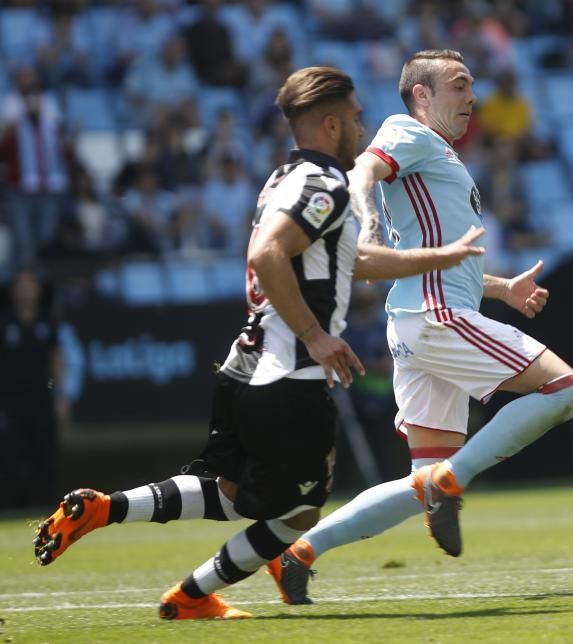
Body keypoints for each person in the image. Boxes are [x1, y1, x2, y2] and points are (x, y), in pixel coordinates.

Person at [31, 66, 486, 621]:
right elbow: (268, 254)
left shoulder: (281, 180)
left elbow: (351, 260)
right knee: (297, 513)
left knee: (225, 491)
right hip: (289, 375)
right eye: (354, 118)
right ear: (330, 121)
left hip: (244, 361)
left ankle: (105, 509)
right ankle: (191, 596)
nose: (361, 127)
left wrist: (439, 257)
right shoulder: (326, 185)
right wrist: (317, 337)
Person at [266, 49, 573, 605]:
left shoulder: (438, 157)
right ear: (422, 95)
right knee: (568, 389)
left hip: (420, 317)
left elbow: (432, 255)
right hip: (438, 317)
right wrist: (364, 215)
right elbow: (363, 168)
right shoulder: (408, 131)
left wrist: (501, 287)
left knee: (422, 478)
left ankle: (299, 553)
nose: (472, 97)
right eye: (459, 86)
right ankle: (451, 483)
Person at [0, 268, 68, 509]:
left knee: (45, 455)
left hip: (42, 397)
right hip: (9, 402)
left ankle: (49, 508)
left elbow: (56, 358)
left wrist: (59, 394)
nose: (26, 291)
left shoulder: (47, 322)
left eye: (31, 285)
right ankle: (11, 508)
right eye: (22, 285)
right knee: (9, 455)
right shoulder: (4, 321)